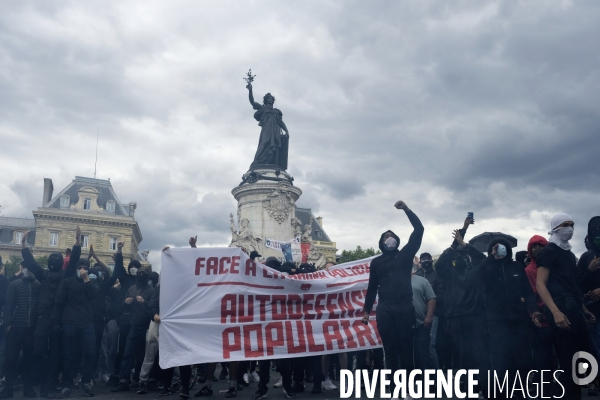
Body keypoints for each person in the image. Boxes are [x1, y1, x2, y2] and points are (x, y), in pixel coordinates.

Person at [468, 236, 538, 399]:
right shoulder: (487, 269)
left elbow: (527, 291)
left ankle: (520, 393)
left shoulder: (516, 266)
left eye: (503, 247)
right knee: (501, 361)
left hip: (519, 321)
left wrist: (533, 310)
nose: (500, 250)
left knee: (522, 360)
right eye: (496, 247)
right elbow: (470, 279)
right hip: (497, 322)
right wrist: (489, 259)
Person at [363, 200, 424, 388]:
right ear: (381, 242)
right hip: (385, 308)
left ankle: (409, 387)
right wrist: (366, 311)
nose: (389, 238)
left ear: (396, 240)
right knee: (389, 349)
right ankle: (393, 386)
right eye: (385, 236)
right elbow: (372, 287)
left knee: (406, 348)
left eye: (391, 236)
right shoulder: (376, 262)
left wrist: (407, 210)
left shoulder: (405, 255)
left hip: (405, 306)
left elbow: (419, 230)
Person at [536, 213, 596, 399]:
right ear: (555, 227)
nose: (569, 228)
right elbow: (540, 284)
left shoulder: (570, 255)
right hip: (561, 310)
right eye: (565, 225)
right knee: (568, 361)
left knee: (581, 361)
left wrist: (584, 310)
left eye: (571, 224)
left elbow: (572, 286)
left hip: (575, 310)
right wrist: (555, 312)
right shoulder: (549, 251)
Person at [20, 228, 81, 398]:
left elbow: (74, 259)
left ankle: (48, 386)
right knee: (38, 351)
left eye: (56, 259)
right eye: (51, 259)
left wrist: (77, 241)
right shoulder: (44, 275)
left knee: (55, 354)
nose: (53, 261)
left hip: (58, 319)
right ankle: (39, 383)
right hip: (44, 318)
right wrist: (24, 245)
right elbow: (30, 262)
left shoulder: (63, 275)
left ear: (61, 262)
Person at [435, 221, 488, 394]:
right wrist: (454, 244)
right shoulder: (448, 274)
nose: (459, 258)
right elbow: (440, 263)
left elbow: (484, 260)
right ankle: (467, 387)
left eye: (462, 255)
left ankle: (482, 386)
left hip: (475, 317)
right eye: (455, 256)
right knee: (462, 353)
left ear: (466, 257)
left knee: (478, 352)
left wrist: (465, 244)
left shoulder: (475, 270)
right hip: (455, 318)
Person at [51, 238, 99, 398]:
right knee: (69, 355)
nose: (82, 269)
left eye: (85, 267)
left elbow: (94, 296)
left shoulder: (90, 283)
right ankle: (67, 384)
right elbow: (58, 302)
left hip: (86, 323)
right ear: (76, 268)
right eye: (80, 267)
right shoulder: (67, 282)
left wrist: (86, 280)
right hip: (69, 323)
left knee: (91, 352)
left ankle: (86, 381)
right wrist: (55, 321)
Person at [112, 243, 154, 392]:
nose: (140, 276)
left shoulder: (150, 290)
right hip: (133, 326)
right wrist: (125, 302)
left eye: (143, 274)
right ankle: (124, 379)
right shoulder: (131, 288)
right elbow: (123, 305)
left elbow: (153, 309)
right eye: (139, 274)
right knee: (127, 352)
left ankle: (140, 378)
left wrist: (144, 302)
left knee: (143, 355)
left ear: (147, 277)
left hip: (146, 327)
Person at [0, 250, 42, 398]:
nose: (27, 269)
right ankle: (9, 387)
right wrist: (7, 326)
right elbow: (8, 306)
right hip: (15, 328)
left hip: (31, 328)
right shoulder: (14, 284)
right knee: (11, 359)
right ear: (21, 268)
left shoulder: (38, 285)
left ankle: (28, 387)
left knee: (29, 359)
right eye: (24, 267)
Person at [524, 234, 557, 395]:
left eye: (540, 246)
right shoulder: (529, 270)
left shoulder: (555, 266)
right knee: (543, 362)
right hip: (541, 322)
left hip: (558, 319)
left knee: (556, 361)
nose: (537, 249)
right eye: (533, 247)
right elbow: (530, 294)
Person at [578, 216, 600, 396]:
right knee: (593, 348)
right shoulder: (586, 258)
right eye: (595, 232)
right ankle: (593, 381)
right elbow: (577, 286)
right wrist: (589, 271)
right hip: (592, 312)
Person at [245, 82, 290, 170]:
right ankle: (258, 161)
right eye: (268, 98)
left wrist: (286, 130)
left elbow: (281, 122)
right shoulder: (262, 108)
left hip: (276, 130)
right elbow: (252, 102)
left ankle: (272, 162)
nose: (270, 99)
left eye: (271, 98)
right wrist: (250, 90)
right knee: (264, 142)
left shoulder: (277, 111)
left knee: (275, 146)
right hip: (267, 129)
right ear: (266, 100)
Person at [415, 252, 443, 369]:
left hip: (433, 315)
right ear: (421, 262)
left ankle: (437, 376)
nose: (426, 260)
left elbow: (440, 295)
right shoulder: (418, 274)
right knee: (420, 346)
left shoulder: (437, 275)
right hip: (419, 316)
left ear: (432, 261)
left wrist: (430, 307)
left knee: (430, 346)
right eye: (423, 259)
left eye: (428, 258)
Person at [410, 273, 436, 371]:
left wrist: (429, 316)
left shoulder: (422, 281)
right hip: (402, 326)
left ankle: (431, 381)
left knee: (423, 354)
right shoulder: (395, 281)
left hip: (421, 324)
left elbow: (431, 299)